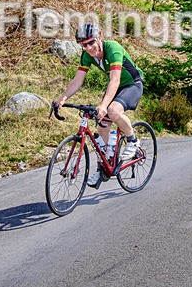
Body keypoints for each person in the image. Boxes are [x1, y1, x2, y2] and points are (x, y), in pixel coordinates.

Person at [54, 22, 144, 187]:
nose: (88, 47)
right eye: (84, 44)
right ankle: (105, 166)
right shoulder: (87, 55)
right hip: (116, 87)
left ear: (99, 37)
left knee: (112, 109)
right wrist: (62, 98)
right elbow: (78, 80)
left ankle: (132, 140)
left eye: (91, 42)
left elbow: (115, 79)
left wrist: (103, 105)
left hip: (132, 84)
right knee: (102, 126)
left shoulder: (113, 48)